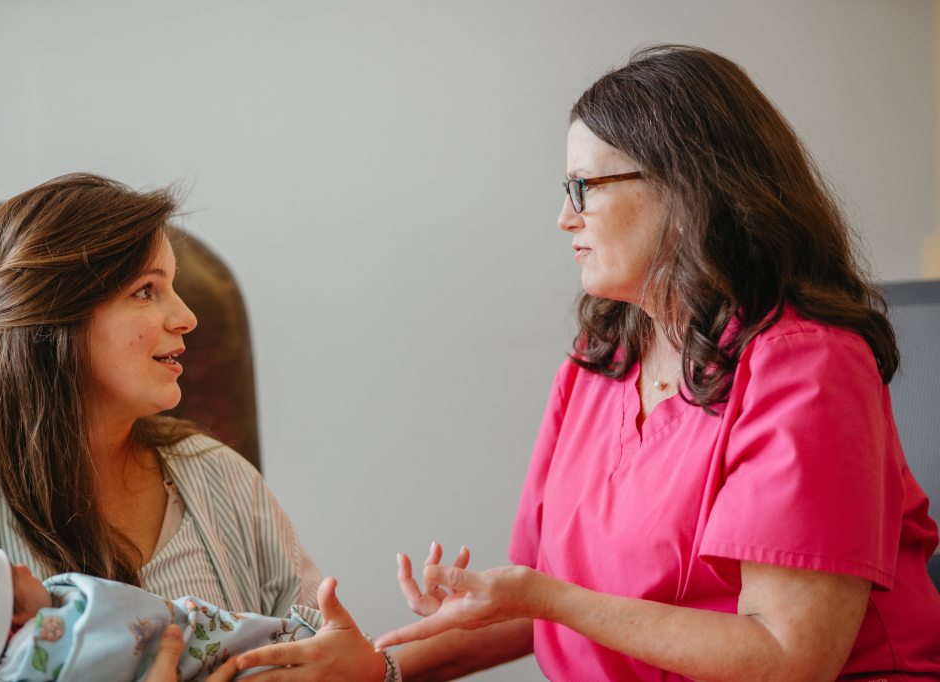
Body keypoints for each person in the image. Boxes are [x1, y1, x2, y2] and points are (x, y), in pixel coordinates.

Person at [368, 45, 940, 680]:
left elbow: (788, 658)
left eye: (584, 187)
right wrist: (372, 668)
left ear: (686, 189)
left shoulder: (809, 365)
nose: (565, 218)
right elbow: (529, 607)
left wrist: (551, 599)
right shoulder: (599, 362)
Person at [0, 173, 398, 681]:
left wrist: (376, 673)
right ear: (52, 320)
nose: (187, 317)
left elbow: (323, 654)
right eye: (146, 291)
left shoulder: (220, 478)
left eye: (173, 287)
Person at [0, 546, 318, 680]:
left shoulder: (207, 462)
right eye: (12, 575)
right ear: (16, 623)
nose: (23, 567)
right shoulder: (66, 638)